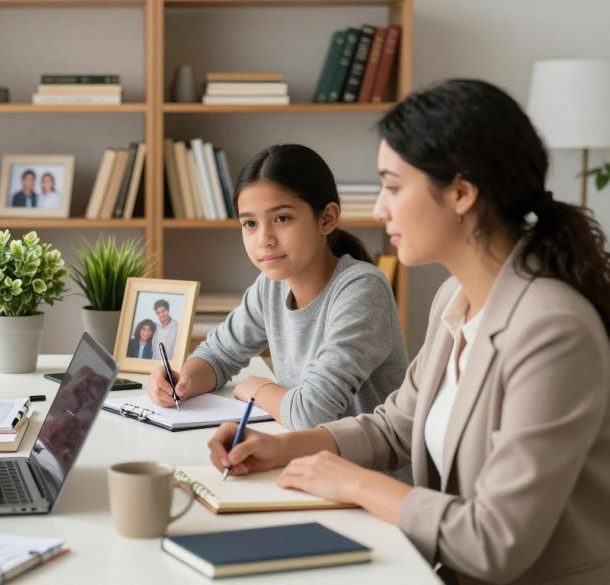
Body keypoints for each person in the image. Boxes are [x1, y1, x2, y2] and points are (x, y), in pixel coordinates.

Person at [207, 80, 610, 585]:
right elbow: (393, 427)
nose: (379, 209)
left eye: (394, 187)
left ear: (461, 192)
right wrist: (285, 446)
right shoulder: (455, 299)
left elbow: (496, 541)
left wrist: (352, 482)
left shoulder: (554, 330)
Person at [148, 144, 409, 434]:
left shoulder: (362, 290)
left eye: (282, 218)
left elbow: (311, 413)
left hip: (365, 473)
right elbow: (218, 355)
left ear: (327, 219)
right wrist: (180, 382)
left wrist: (259, 388)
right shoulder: (271, 286)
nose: (264, 239)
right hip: (306, 460)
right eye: (249, 223)